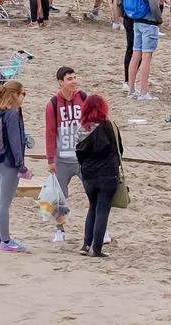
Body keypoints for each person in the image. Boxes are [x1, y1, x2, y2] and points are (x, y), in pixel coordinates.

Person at [0, 78, 30, 253]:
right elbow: (15, 142)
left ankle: (0, 239)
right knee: (4, 203)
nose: (24, 97)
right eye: (23, 93)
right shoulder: (12, 113)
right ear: (15, 95)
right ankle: (6, 240)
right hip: (8, 161)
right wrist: (21, 166)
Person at [44, 64, 89, 243]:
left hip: (82, 157)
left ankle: (102, 229)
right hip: (62, 159)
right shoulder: (53, 104)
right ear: (60, 82)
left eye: (75, 78)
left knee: (93, 193)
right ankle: (59, 230)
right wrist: (50, 159)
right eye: (69, 79)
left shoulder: (83, 98)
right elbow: (50, 132)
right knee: (59, 197)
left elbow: (90, 124)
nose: (74, 82)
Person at [74, 92, 121, 257]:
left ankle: (86, 245)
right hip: (108, 174)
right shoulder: (108, 126)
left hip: (89, 175)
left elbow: (78, 152)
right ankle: (98, 248)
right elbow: (119, 150)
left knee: (92, 208)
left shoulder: (81, 129)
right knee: (102, 210)